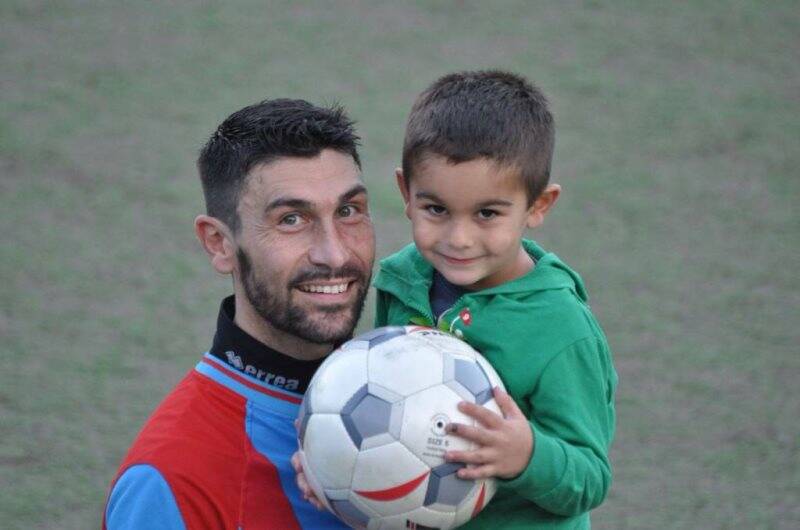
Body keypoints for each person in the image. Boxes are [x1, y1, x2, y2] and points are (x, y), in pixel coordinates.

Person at [103, 99, 375, 529]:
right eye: (291, 219)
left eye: (348, 211)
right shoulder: (172, 483)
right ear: (219, 244)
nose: (335, 252)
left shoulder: (433, 392)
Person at [372, 71, 617, 528]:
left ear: (538, 206)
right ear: (406, 193)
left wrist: (527, 455)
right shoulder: (401, 279)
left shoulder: (562, 329)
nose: (458, 239)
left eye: (487, 214)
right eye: (436, 209)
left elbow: (590, 478)